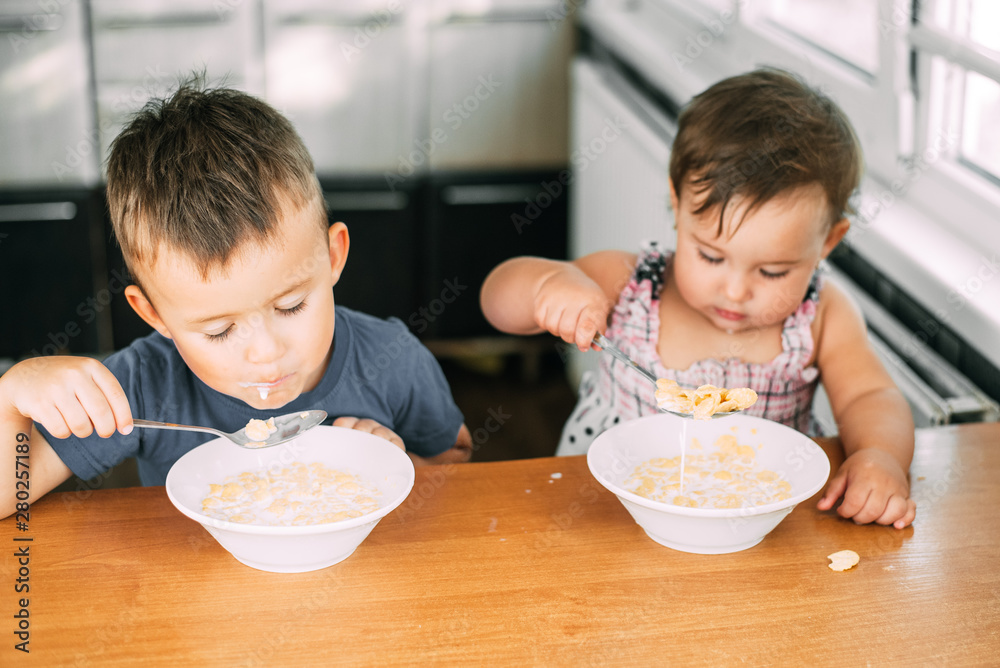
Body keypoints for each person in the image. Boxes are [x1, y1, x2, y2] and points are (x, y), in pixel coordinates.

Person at [1, 81, 471, 518]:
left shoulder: (392, 361)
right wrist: (11, 395)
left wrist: (399, 463)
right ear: (154, 314)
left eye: (290, 306)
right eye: (218, 330)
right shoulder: (143, 388)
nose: (266, 352)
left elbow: (459, 464)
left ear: (333, 256)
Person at [481, 68, 916, 529]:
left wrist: (880, 456)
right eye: (710, 257)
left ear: (829, 241)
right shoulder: (629, 281)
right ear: (677, 205)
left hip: (758, 519)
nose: (735, 290)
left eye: (772, 271)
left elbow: (871, 395)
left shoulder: (821, 313)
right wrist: (548, 285)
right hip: (610, 514)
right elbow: (498, 301)